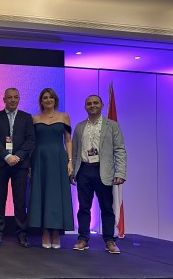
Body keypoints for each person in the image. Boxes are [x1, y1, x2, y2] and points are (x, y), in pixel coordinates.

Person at [72, 95, 127, 254]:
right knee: (83, 207)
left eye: (95, 103)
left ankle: (109, 240)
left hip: (104, 170)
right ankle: (83, 239)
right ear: (85, 107)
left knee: (107, 208)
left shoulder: (112, 126)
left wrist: (120, 172)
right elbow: (75, 152)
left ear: (102, 105)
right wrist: (73, 171)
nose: (92, 105)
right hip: (84, 170)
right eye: (89, 103)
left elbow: (120, 150)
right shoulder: (79, 127)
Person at [27, 88, 74, 248]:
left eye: (51, 97)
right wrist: (29, 163)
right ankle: (45, 232)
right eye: (45, 98)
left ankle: (56, 233)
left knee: (56, 196)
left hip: (58, 159)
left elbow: (68, 140)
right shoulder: (35, 118)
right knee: (42, 195)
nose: (48, 100)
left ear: (55, 100)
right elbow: (32, 142)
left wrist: (70, 161)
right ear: (41, 101)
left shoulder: (64, 117)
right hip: (39, 159)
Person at [0, 88, 35, 247]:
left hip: (20, 164)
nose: (13, 100)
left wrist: (18, 156)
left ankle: (21, 234)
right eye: (9, 97)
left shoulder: (26, 117)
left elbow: (30, 140)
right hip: (1, 163)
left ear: (19, 99)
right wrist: (7, 156)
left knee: (20, 200)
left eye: (16, 97)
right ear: (4, 99)